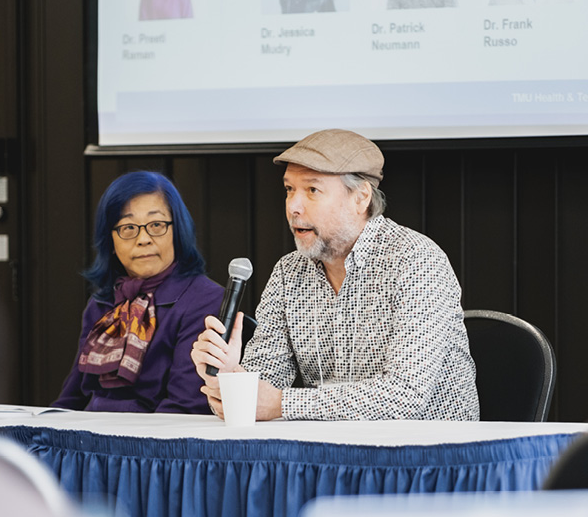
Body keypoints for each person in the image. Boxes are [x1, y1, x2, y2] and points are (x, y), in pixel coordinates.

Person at [191, 129, 479, 422]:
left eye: (312, 190)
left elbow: (405, 396)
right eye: (289, 189)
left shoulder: (416, 260)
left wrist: (282, 404)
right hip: (331, 446)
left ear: (361, 198)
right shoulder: (288, 273)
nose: (293, 206)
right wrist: (229, 378)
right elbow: (261, 395)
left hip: (431, 446)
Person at [52, 171, 223, 413]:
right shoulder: (102, 302)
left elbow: (183, 408)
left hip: (157, 435)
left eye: (156, 225)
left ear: (177, 232)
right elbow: (72, 399)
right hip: (89, 433)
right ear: (111, 241)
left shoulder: (204, 299)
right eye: (128, 227)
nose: (143, 239)